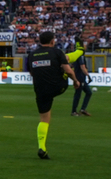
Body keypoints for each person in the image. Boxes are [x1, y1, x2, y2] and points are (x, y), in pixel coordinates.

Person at [26, 31, 76, 160]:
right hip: (58, 87)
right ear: (52, 41)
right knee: (67, 67)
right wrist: (76, 81)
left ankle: (42, 147)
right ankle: (79, 51)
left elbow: (31, 73)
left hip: (40, 89)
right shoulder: (57, 52)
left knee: (44, 119)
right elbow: (68, 71)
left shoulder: (31, 55)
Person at [67, 37, 92, 116]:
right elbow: (82, 67)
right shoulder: (80, 55)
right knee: (78, 94)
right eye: (84, 45)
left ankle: (82, 109)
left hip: (79, 77)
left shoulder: (77, 55)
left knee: (88, 92)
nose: (86, 47)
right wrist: (88, 75)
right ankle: (74, 111)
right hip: (80, 77)